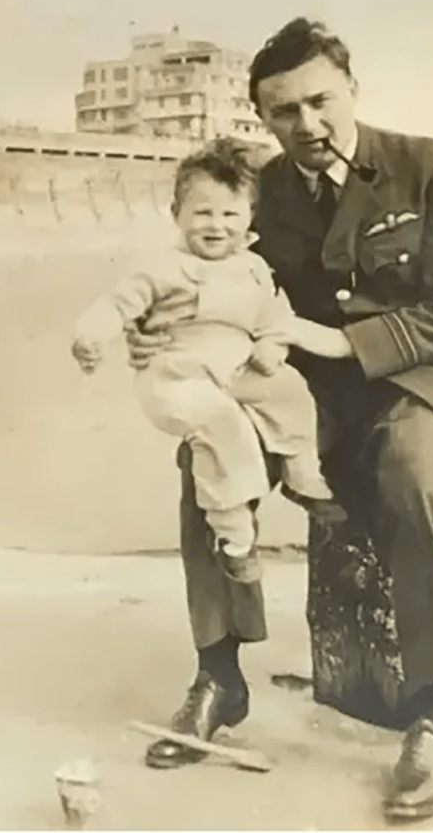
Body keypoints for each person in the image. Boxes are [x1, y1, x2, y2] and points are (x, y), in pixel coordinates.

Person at [127, 18, 433, 822]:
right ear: (263, 118)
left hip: (425, 380)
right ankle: (218, 677)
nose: (307, 124)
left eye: (320, 101)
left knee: (413, 467)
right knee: (207, 457)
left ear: (351, 88)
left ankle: (428, 714)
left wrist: (341, 337)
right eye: (283, 111)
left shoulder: (427, 167)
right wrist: (160, 324)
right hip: (308, 392)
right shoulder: (264, 191)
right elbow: (214, 279)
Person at [72, 139, 339, 584]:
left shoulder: (254, 267)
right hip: (178, 374)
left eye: (230, 214)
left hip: (235, 367)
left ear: (250, 216)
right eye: (202, 213)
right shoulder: (159, 267)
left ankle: (302, 474)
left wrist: (273, 345)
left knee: (290, 390)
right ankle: (234, 536)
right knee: (221, 426)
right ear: (176, 213)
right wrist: (91, 334)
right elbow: (118, 304)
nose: (216, 226)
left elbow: (276, 316)